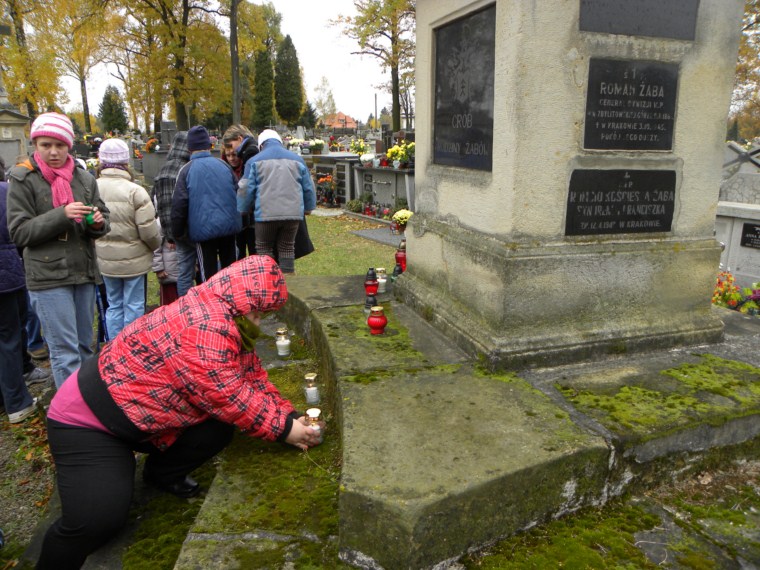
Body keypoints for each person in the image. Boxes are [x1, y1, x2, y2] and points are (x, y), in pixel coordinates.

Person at [36, 255, 324, 569]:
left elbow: (250, 376)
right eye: (259, 314)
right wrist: (285, 430)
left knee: (217, 429)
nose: (259, 321)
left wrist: (288, 415)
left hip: (143, 415)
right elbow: (229, 395)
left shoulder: (223, 313)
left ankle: (161, 473)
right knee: (97, 521)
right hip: (90, 422)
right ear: (245, 303)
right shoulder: (206, 328)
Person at [6, 112, 110, 389]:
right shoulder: (24, 179)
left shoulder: (84, 178)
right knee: (65, 354)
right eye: (46, 145)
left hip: (83, 272)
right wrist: (61, 215)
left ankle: (86, 401)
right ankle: (71, 410)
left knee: (85, 348)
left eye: (60, 145)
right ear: (35, 144)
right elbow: (19, 232)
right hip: (48, 277)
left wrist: (98, 223)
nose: (53, 152)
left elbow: (102, 217)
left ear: (69, 146)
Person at [94, 138, 161, 339]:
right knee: (134, 304)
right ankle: (131, 345)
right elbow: (149, 231)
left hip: (105, 259)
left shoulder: (92, 188)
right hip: (134, 260)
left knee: (114, 304)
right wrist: (155, 246)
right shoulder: (135, 191)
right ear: (126, 161)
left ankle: (114, 345)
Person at [0, 157, 50, 423]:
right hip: (7, 275)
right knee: (9, 336)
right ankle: (17, 402)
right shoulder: (6, 192)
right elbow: (19, 233)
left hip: (8, 271)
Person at [237, 129, 316, 274]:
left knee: (264, 248)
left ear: (261, 145)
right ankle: (288, 282)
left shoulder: (253, 161)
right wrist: (308, 208)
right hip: (292, 215)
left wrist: (243, 209)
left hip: (265, 215)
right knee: (287, 248)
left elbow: (245, 188)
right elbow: (308, 187)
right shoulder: (297, 160)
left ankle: (269, 281)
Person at [171, 125, 240, 289]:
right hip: (229, 227)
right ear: (209, 145)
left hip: (203, 231)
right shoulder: (223, 165)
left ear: (189, 148)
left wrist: (177, 233)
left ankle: (212, 302)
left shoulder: (186, 171)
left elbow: (179, 205)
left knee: (208, 277)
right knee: (230, 273)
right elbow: (238, 193)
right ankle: (231, 300)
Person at [151, 131, 195, 296]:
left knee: (184, 273)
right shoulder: (185, 169)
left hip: (174, 232)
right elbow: (172, 206)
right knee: (188, 273)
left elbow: (159, 205)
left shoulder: (163, 170)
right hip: (186, 230)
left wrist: (170, 234)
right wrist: (173, 235)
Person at [221, 124, 258, 259]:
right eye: (228, 155)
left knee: (255, 254)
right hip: (235, 220)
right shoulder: (224, 169)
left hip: (252, 219)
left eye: (234, 154)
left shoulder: (248, 161)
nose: (232, 158)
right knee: (237, 256)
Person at [151, 219, 179, 306]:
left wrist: (194, 264)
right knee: (168, 304)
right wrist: (159, 268)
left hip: (184, 271)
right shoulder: (160, 223)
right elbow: (155, 247)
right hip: (167, 273)